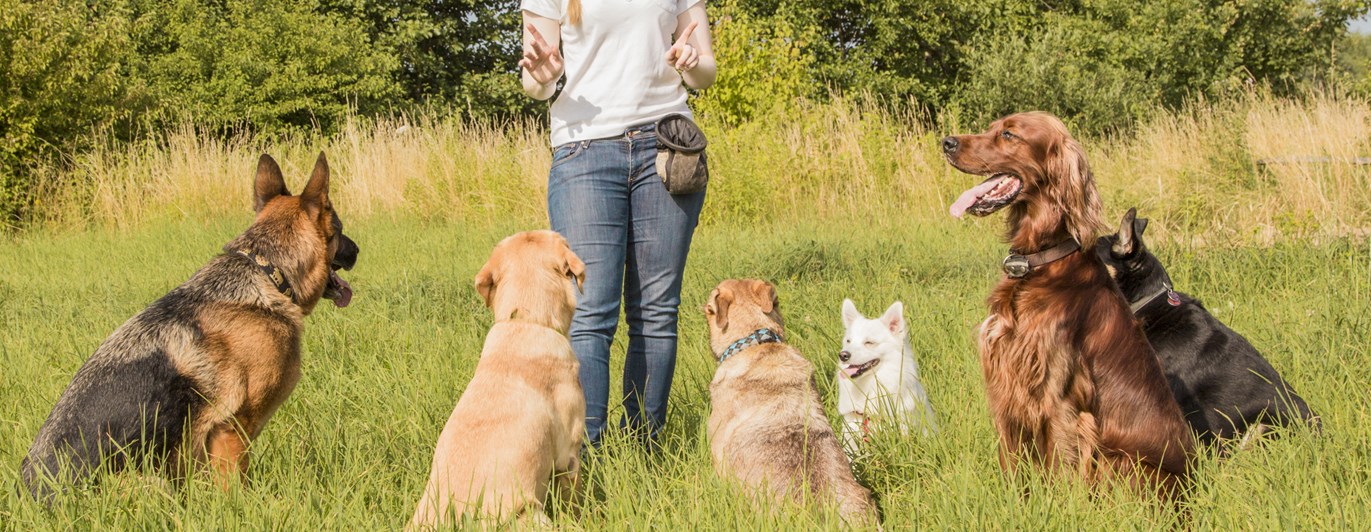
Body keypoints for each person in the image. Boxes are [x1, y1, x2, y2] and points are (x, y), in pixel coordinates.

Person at [518, 0, 715, 448]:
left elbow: (706, 72)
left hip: (666, 147)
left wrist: (691, 63)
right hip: (584, 151)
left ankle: (644, 450)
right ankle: (584, 459)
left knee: (656, 313)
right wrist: (544, 77)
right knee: (590, 315)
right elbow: (534, 80)